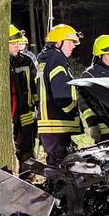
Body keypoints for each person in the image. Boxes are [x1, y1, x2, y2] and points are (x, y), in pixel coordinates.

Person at [36, 23, 82, 165]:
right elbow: (61, 94)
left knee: (55, 163)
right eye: (70, 42)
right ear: (58, 43)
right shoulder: (57, 60)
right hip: (58, 123)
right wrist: (72, 111)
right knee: (60, 167)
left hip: (48, 123)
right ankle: (54, 187)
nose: (73, 46)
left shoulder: (44, 59)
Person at [80, 34, 109, 141]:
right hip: (104, 130)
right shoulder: (90, 75)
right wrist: (92, 124)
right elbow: (84, 102)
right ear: (100, 55)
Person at [9, 25, 39, 167]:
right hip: (8, 115)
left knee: (26, 145)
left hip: (25, 112)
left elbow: (35, 86)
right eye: (13, 43)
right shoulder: (0, 63)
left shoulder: (26, 61)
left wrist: (37, 106)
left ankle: (27, 176)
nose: (17, 46)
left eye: (18, 43)